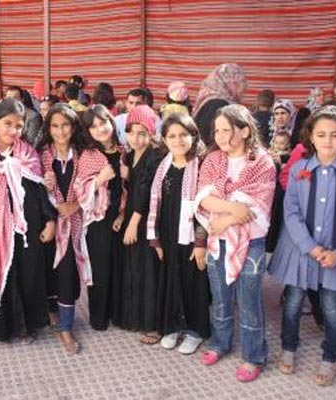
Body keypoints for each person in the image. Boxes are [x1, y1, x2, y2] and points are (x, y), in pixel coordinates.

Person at [269, 106, 336, 386]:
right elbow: (291, 212)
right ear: (310, 136)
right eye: (321, 134)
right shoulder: (299, 169)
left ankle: (331, 356)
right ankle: (288, 347)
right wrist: (310, 247)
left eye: (335, 135)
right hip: (301, 251)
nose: (328, 140)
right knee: (293, 303)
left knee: (332, 308)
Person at [195, 104, 276, 382]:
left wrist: (224, 221)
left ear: (244, 131)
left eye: (226, 130)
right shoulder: (212, 160)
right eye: (217, 130)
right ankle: (220, 343)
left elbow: (257, 208)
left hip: (250, 242)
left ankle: (254, 356)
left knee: (249, 299)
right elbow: (203, 199)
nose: (219, 136)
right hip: (218, 241)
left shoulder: (262, 162)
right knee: (220, 297)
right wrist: (232, 210)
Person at [0, 98, 57, 343]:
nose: (13, 130)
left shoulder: (29, 154)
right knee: (4, 269)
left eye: (19, 125)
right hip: (0, 227)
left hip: (29, 227)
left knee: (29, 272)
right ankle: (4, 327)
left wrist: (50, 221)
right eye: (8, 124)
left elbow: (40, 191)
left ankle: (27, 327)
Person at [38, 103, 107, 354]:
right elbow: (30, 188)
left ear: (74, 126)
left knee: (67, 273)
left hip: (74, 224)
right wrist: (46, 189)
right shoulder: (40, 155)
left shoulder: (85, 155)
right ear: (48, 128)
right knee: (47, 271)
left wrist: (75, 205)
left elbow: (99, 185)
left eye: (65, 125)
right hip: (46, 222)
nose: (60, 131)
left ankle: (66, 327)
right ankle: (52, 314)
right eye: (55, 126)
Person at [147, 113, 210, 354]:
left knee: (193, 281)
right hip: (168, 233)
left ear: (193, 136)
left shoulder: (201, 166)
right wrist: (156, 240)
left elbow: (205, 208)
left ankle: (195, 331)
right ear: (164, 139)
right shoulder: (162, 166)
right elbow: (156, 204)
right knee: (171, 279)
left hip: (193, 235)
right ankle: (172, 326)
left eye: (183, 134)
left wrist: (201, 242)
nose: (178, 140)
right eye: (172, 136)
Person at [80, 104, 127, 330]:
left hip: (121, 216)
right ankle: (99, 317)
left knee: (119, 266)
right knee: (99, 267)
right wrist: (99, 179)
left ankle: (117, 314)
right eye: (94, 126)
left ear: (111, 121)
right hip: (98, 219)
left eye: (103, 122)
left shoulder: (124, 150)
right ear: (88, 131)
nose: (100, 129)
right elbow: (80, 191)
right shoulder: (89, 155)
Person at [116, 105, 162, 339]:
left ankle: (151, 324)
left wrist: (133, 223)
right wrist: (123, 217)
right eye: (131, 132)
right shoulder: (130, 155)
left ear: (151, 133)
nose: (136, 138)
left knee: (147, 270)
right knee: (133, 267)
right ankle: (134, 316)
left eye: (142, 133)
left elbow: (145, 192)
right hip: (132, 217)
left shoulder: (154, 156)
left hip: (146, 221)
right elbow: (128, 192)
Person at [193, 63, 247, 146]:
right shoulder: (218, 104)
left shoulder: (211, 100)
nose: (244, 87)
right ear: (230, 82)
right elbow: (208, 135)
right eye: (240, 82)